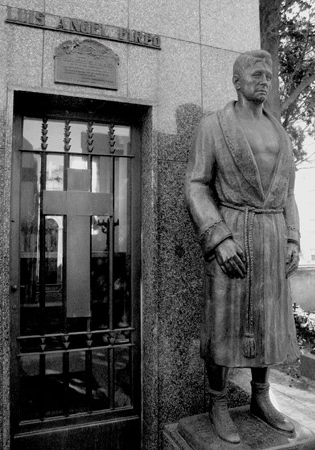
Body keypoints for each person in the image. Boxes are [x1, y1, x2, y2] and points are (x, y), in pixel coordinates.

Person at [185, 50, 300, 444]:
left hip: (270, 236)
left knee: (267, 321)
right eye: (256, 73)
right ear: (237, 80)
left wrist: (292, 237)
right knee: (225, 321)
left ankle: (261, 398)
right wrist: (218, 238)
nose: (264, 80)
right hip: (233, 235)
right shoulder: (214, 127)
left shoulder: (279, 132)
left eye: (269, 74)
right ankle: (217, 402)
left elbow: (288, 193)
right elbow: (196, 184)